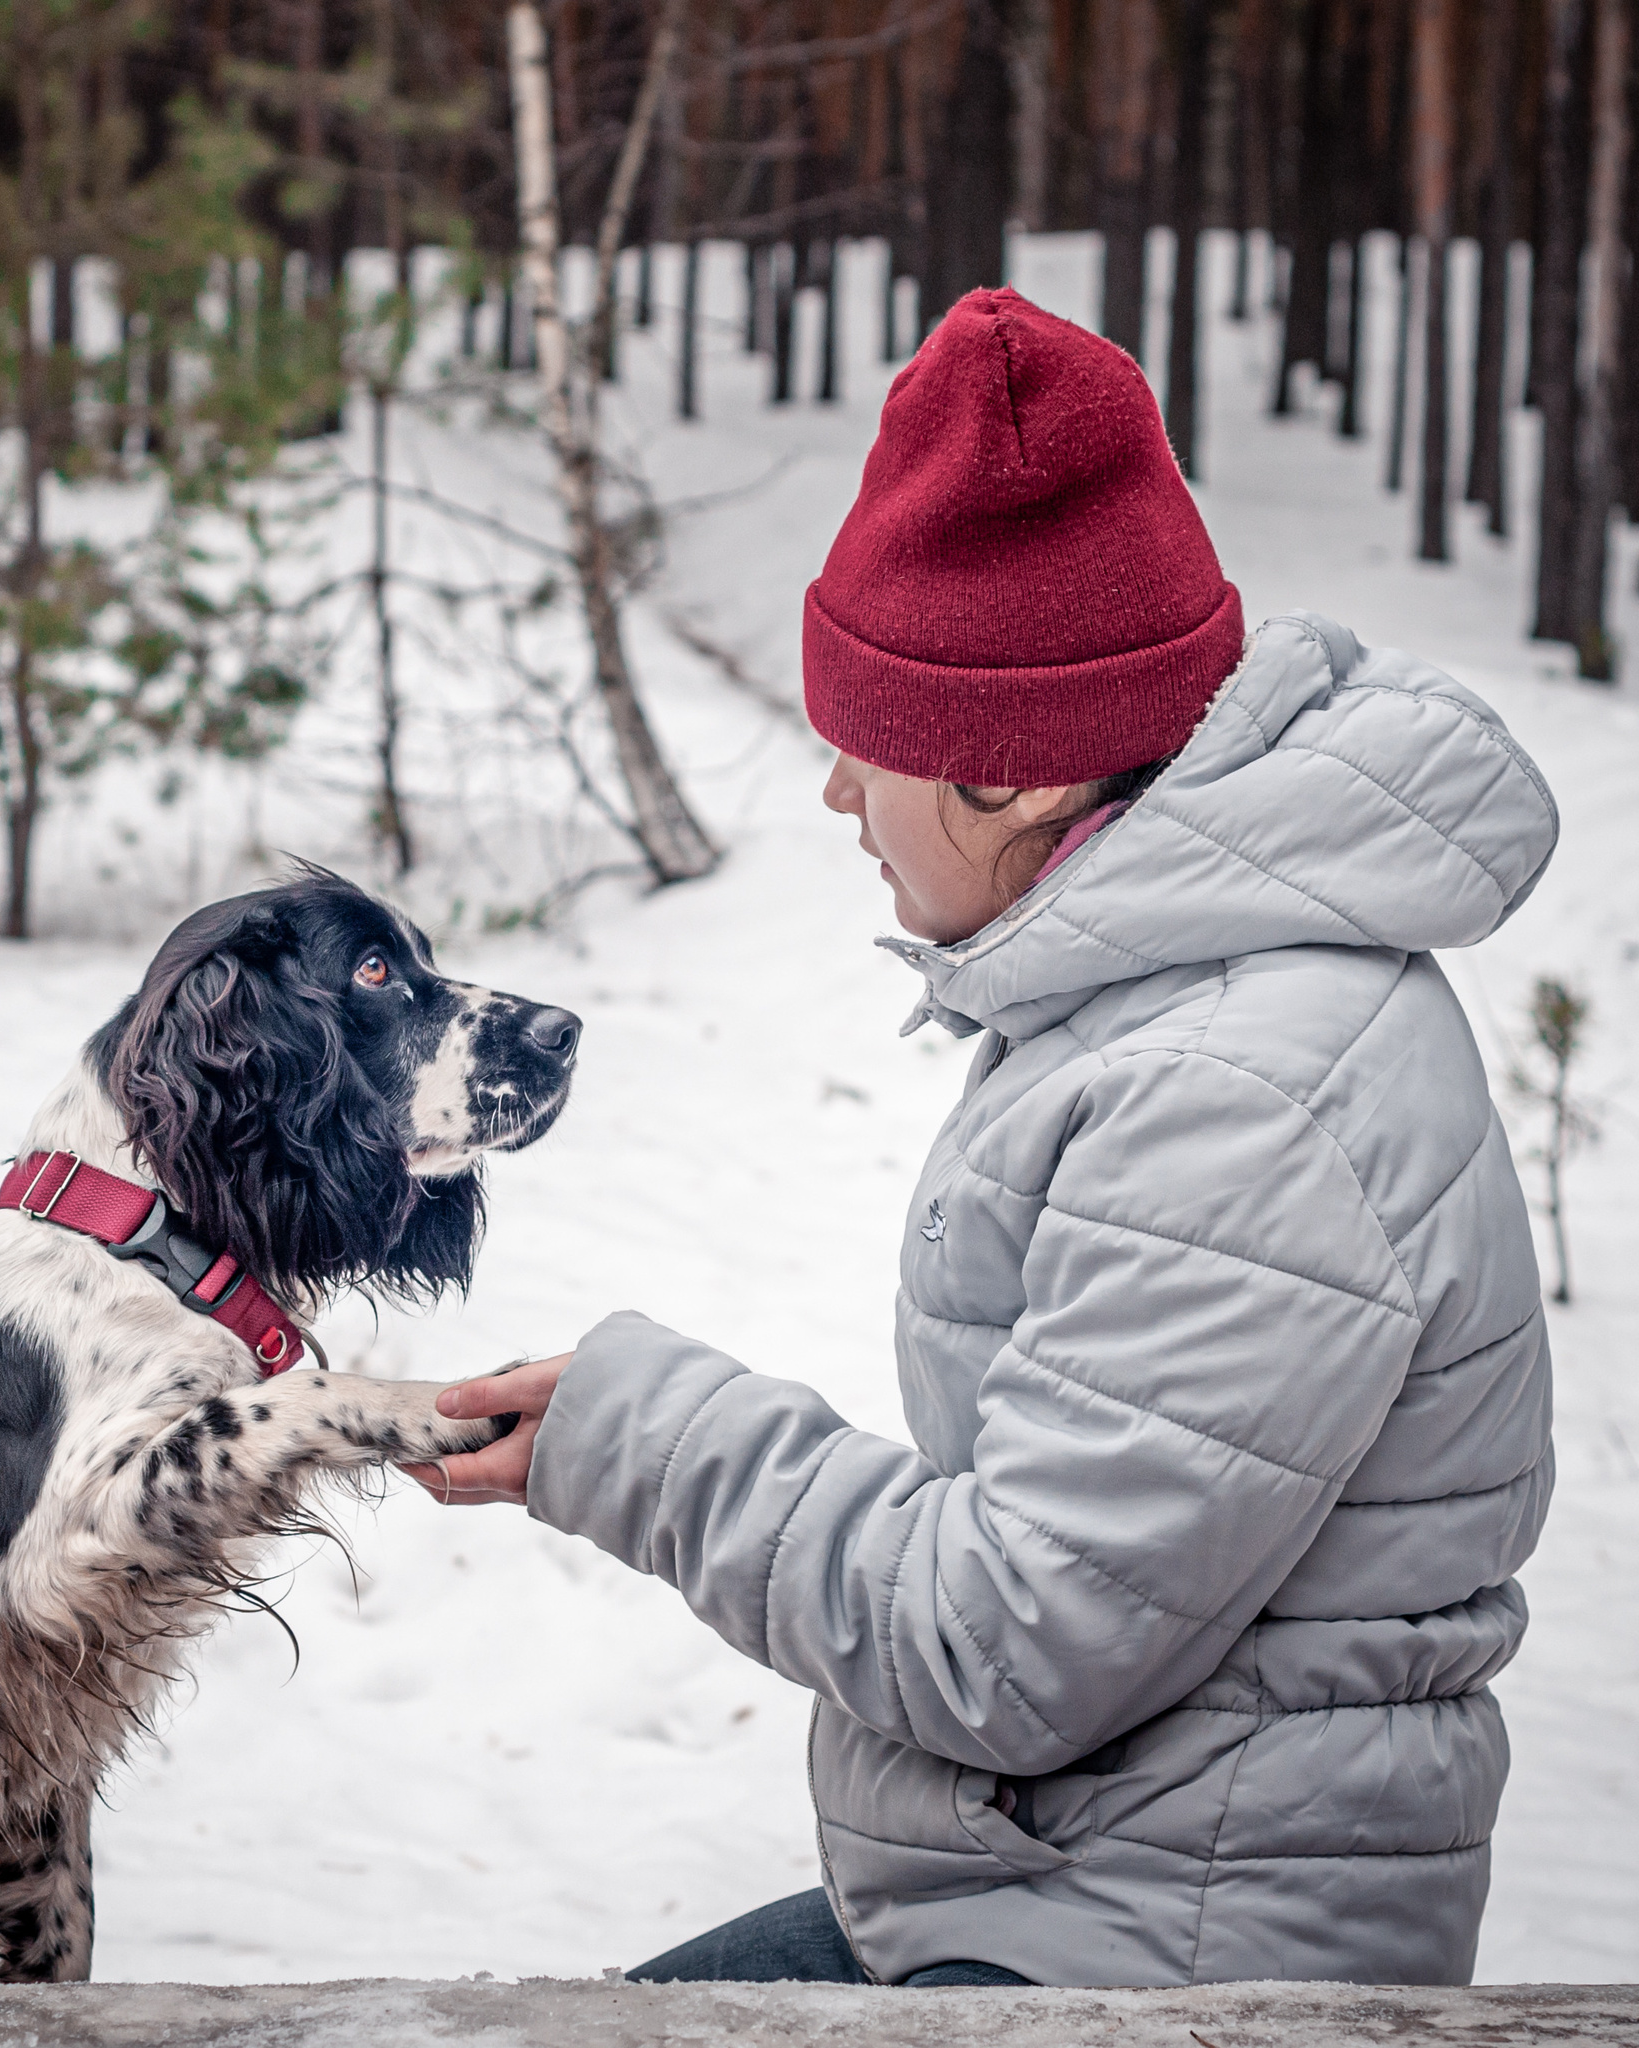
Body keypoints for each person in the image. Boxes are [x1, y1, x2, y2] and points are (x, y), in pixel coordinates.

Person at [403, 286, 1560, 1990]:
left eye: (869, 746)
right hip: (1082, 1888)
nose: (835, 795)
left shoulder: (1238, 1092)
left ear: (1020, 780)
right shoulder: (1178, 1001)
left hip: (1176, 1962)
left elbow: (1009, 1643)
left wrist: (643, 1441)